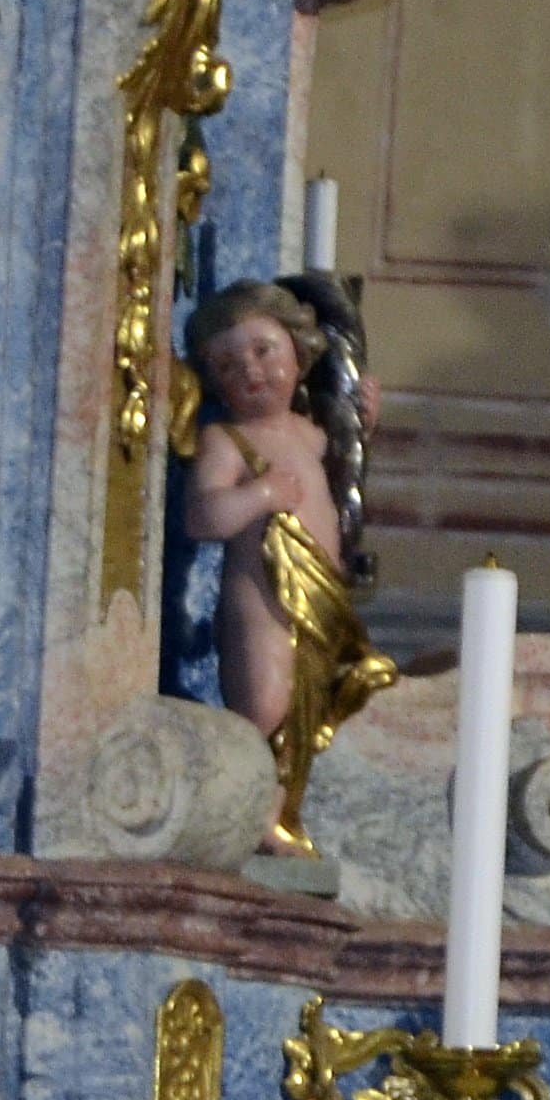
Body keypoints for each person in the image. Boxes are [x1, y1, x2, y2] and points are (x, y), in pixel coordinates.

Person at [180, 281, 393, 856]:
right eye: (228, 365)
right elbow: (201, 517)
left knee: (310, 704)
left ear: (299, 352)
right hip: (260, 603)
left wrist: (364, 420)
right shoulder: (226, 440)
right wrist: (260, 494)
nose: (250, 371)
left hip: (321, 599)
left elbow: (346, 473)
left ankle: (280, 811)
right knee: (264, 703)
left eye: (263, 351)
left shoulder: (312, 432)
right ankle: (239, 806)